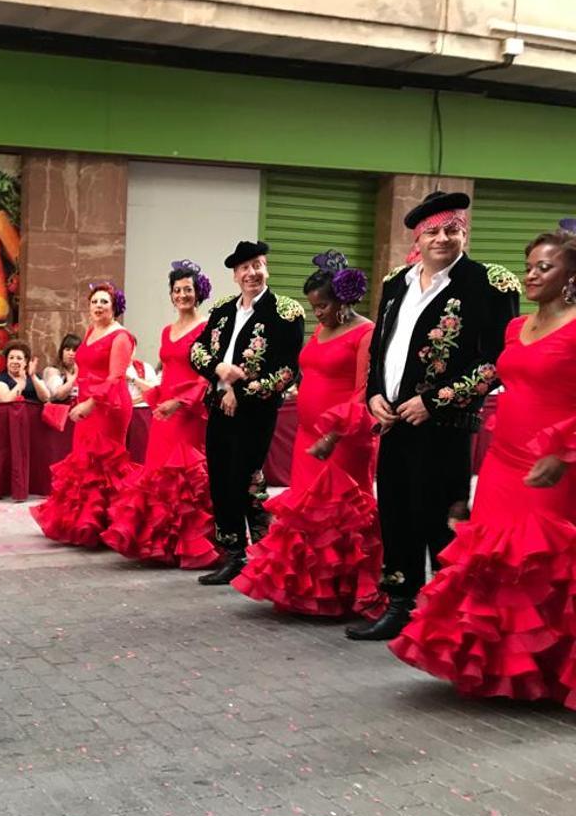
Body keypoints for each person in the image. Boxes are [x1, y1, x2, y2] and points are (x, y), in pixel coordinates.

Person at [390, 229, 576, 706]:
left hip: (552, 463)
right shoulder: (516, 328)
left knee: (539, 561)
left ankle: (543, 670)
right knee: (492, 558)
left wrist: (563, 453)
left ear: (572, 276)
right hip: (502, 460)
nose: (531, 275)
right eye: (529, 266)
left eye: (545, 267)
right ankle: (498, 666)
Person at [346, 191, 519, 641]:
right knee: (396, 514)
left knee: (442, 520)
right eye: (433, 232)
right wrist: (374, 396)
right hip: (393, 422)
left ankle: (449, 612)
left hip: (446, 425)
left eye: (452, 230)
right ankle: (399, 602)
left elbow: (497, 361)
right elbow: (380, 348)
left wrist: (435, 401)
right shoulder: (396, 283)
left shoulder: (489, 283)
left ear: (464, 233)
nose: (442, 238)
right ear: (418, 239)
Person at [234, 252, 381, 616]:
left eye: (324, 306)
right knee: (307, 511)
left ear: (344, 300)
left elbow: (363, 390)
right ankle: (308, 590)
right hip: (307, 436)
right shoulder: (321, 329)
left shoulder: (365, 332)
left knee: (339, 514)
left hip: (343, 439)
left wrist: (333, 435)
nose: (318, 313)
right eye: (314, 307)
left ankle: (342, 592)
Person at [191, 241, 305, 585]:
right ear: (235, 275)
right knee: (220, 479)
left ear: (266, 268)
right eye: (244, 268)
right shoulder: (223, 309)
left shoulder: (286, 311)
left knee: (247, 478)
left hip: (255, 411)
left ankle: (263, 552)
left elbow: (287, 371)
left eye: (257, 265)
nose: (251, 273)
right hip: (217, 406)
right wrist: (218, 370)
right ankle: (233, 554)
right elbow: (196, 350)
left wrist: (240, 394)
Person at [103, 260, 216, 567]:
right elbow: (168, 373)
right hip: (163, 411)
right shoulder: (167, 331)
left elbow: (206, 376)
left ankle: (191, 544)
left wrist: (180, 402)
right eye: (177, 290)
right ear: (171, 295)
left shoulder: (208, 327)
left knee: (185, 474)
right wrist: (150, 391)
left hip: (189, 412)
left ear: (199, 292)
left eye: (188, 289)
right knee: (159, 471)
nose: (182, 295)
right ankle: (162, 542)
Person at [31, 282, 136, 547]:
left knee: (106, 460)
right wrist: (74, 392)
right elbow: (83, 369)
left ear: (115, 306)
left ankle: (111, 523)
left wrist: (90, 404)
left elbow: (115, 377)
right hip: (87, 402)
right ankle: (87, 522)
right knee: (85, 460)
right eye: (94, 302)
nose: (98, 306)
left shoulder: (121, 336)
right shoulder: (90, 331)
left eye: (104, 302)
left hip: (109, 406)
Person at [43, 333, 80, 404]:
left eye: (74, 350)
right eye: (67, 349)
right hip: (59, 409)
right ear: (61, 352)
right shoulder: (52, 371)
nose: (71, 353)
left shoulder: (84, 372)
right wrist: (74, 378)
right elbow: (59, 395)